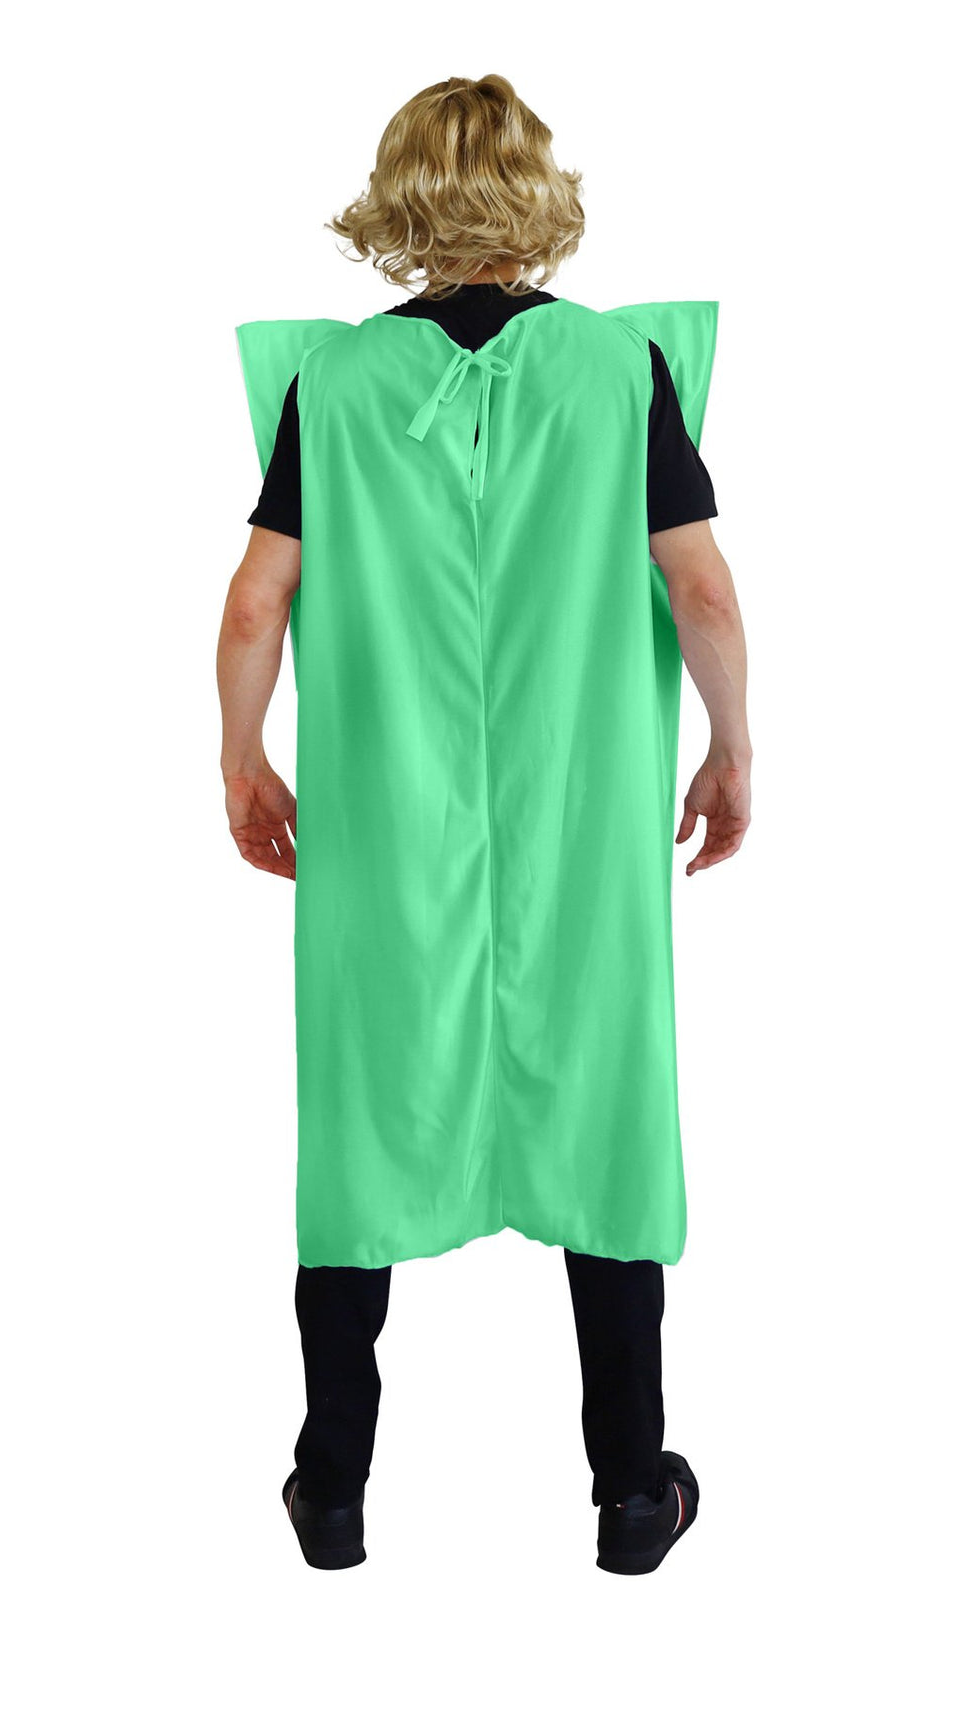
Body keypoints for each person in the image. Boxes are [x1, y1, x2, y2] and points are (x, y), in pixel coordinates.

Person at [217, 74, 751, 1576]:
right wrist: (732, 748)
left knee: (362, 1111)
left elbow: (257, 602)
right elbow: (700, 589)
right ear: (539, 195)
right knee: (606, 1098)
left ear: (400, 199)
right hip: (586, 821)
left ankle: (331, 1487)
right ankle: (633, 1489)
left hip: (385, 828)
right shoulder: (620, 369)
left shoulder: (336, 384)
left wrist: (241, 757)